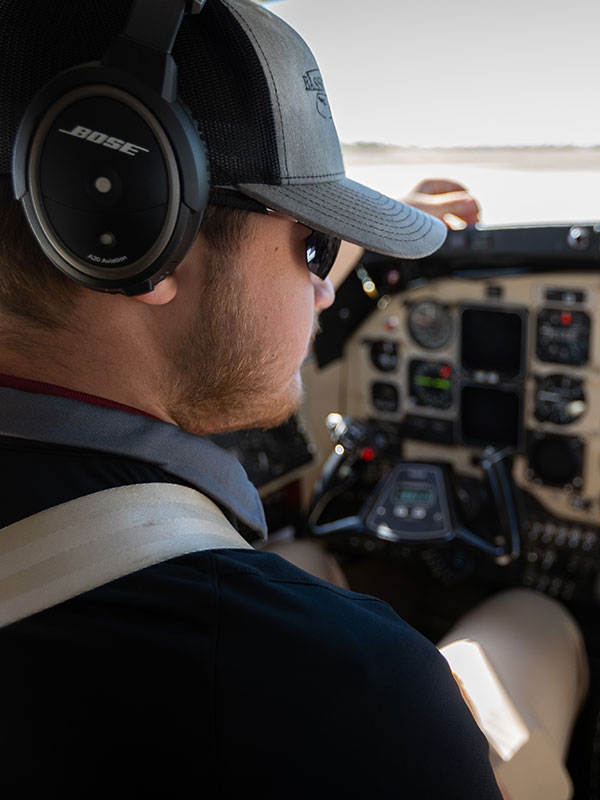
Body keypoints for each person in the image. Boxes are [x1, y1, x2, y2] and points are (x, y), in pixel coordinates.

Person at [0, 0, 504, 796]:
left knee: (311, 558)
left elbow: (241, 302)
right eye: (314, 244)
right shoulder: (355, 698)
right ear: (134, 227)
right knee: (527, 634)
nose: (326, 291)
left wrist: (329, 243)